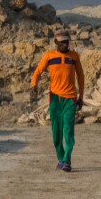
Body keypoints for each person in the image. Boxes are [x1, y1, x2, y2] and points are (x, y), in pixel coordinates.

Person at [29, 29, 86, 172]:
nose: (65, 45)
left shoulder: (74, 57)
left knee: (68, 131)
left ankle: (67, 160)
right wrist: (33, 86)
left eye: (67, 42)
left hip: (70, 99)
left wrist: (81, 97)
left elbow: (81, 77)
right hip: (55, 99)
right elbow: (38, 72)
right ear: (55, 42)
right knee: (56, 133)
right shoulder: (49, 56)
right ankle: (61, 158)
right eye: (61, 43)